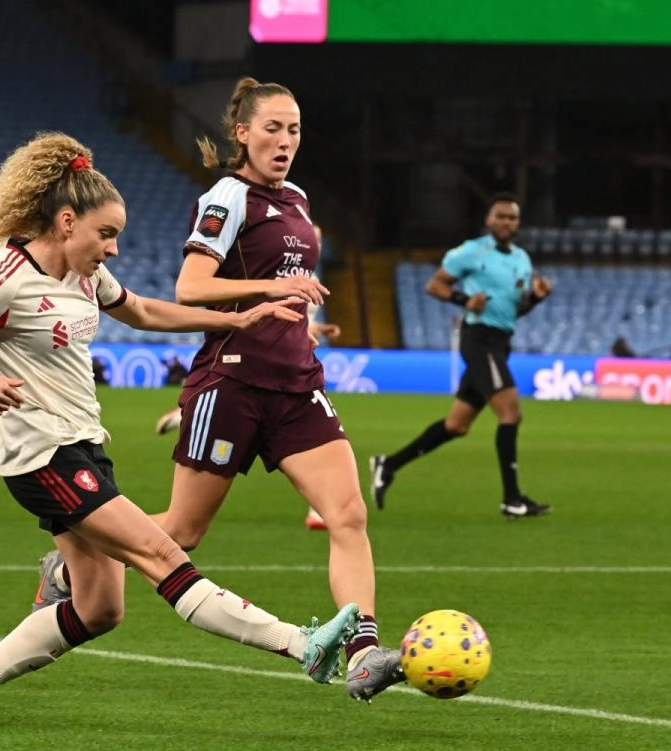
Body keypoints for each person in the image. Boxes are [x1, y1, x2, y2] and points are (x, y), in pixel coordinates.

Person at [0, 132, 359, 731]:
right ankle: (302, 644)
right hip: (43, 458)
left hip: (83, 445)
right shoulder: (4, 278)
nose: (113, 249)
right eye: (105, 234)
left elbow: (142, 310)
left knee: (100, 609)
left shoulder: (83, 276)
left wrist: (237, 318)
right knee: (162, 553)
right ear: (66, 222)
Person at [35, 78, 403, 704]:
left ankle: (364, 652)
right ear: (242, 133)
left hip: (294, 383)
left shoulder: (297, 200)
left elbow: (281, 281)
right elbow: (192, 287)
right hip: (231, 381)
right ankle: (70, 565)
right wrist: (272, 294)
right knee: (181, 530)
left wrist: (305, 322)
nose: (284, 141)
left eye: (293, 130)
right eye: (272, 128)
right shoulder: (228, 196)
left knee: (348, 514)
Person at [369, 193, 554, 518]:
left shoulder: (522, 260)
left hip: (500, 340)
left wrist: (535, 299)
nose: (506, 222)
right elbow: (434, 285)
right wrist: (463, 299)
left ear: (518, 223)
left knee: (456, 425)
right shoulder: (472, 251)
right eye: (501, 216)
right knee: (510, 414)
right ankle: (512, 499)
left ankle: (388, 464)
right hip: (478, 338)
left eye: (512, 218)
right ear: (489, 219)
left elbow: (515, 309)